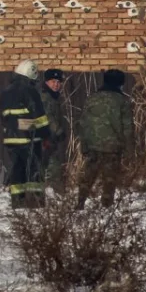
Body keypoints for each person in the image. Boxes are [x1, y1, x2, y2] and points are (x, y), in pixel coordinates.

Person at [76, 69, 134, 209]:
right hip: (112, 147)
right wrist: (130, 150)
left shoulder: (91, 98)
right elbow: (127, 128)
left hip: (92, 145)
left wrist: (84, 145)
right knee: (109, 179)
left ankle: (80, 202)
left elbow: (83, 123)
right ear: (120, 84)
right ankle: (106, 206)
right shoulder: (122, 101)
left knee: (88, 176)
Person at [0, 60, 50, 209]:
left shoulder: (6, 91)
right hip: (29, 138)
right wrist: (46, 135)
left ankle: (17, 202)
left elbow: (6, 118)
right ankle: (36, 203)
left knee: (17, 170)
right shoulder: (29, 90)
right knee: (34, 171)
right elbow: (39, 116)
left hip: (10, 138)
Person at [40, 68, 68, 192]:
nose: (56, 85)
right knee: (52, 166)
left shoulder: (53, 97)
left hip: (49, 138)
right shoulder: (45, 97)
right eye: (53, 81)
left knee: (49, 165)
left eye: (58, 82)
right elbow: (48, 117)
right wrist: (58, 131)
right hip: (44, 138)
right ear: (46, 82)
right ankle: (59, 194)